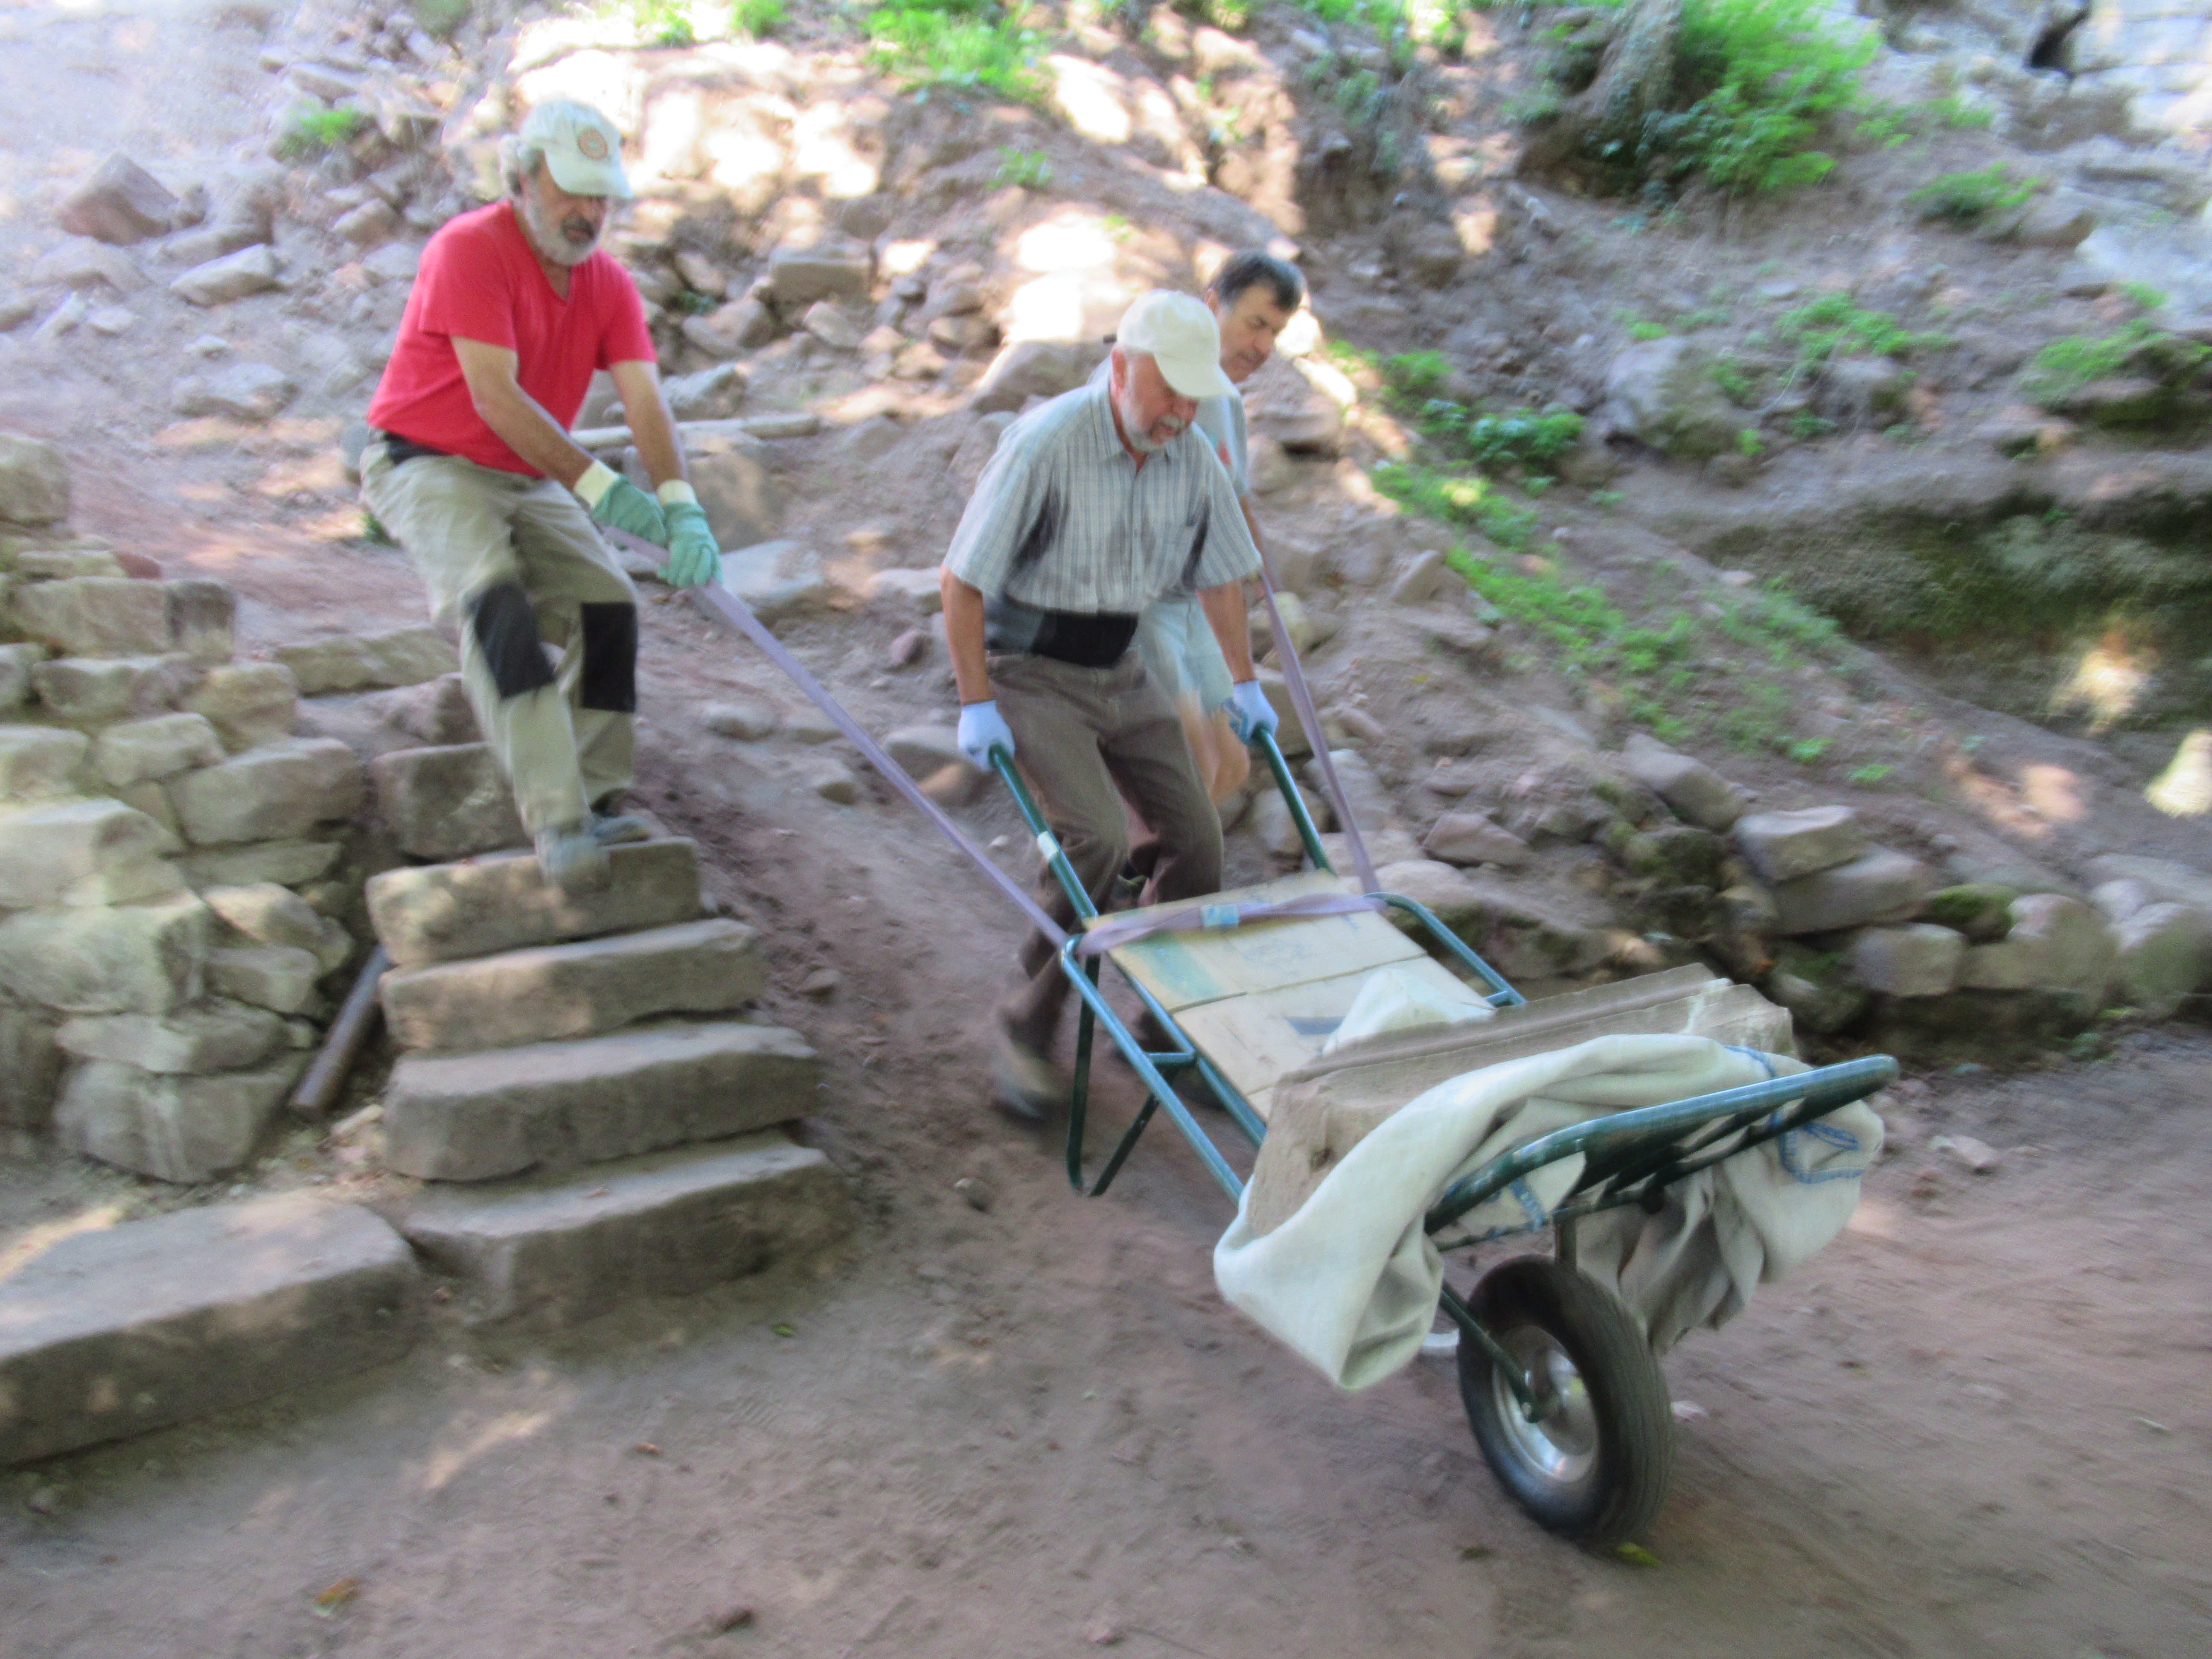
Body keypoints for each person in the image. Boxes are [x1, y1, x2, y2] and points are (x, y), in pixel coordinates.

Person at [358, 99, 723, 892]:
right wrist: (601, 488)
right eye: (571, 190)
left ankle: (594, 797)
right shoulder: (469, 248)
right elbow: (495, 397)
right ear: (522, 179)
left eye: (602, 196)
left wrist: (681, 505)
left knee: (609, 604)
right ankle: (557, 820)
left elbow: (645, 400)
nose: (588, 211)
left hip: (526, 472)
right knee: (495, 602)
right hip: (430, 460)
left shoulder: (609, 284)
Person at [941, 291, 1281, 1117]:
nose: (1182, 413)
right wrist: (976, 701)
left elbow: (1224, 576)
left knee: (1197, 838)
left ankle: (1164, 1023)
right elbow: (962, 579)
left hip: (1121, 666)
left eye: (1196, 396)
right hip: (1033, 667)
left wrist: (1244, 682)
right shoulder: (1047, 442)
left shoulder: (1189, 452)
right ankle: (1028, 1024)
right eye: (1171, 391)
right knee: (1092, 839)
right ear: (1123, 367)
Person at [1135, 249, 1306, 807]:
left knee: (1229, 766)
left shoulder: (1224, 399)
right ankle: (1115, 854)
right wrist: (1245, 677)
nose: (1264, 347)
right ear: (1212, 304)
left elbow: (1234, 501)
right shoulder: (1150, 380)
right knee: (1193, 764)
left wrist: (1271, 587)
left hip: (1180, 602)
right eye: (1255, 324)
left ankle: (1159, 856)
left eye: (1275, 333)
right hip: (1124, 598)